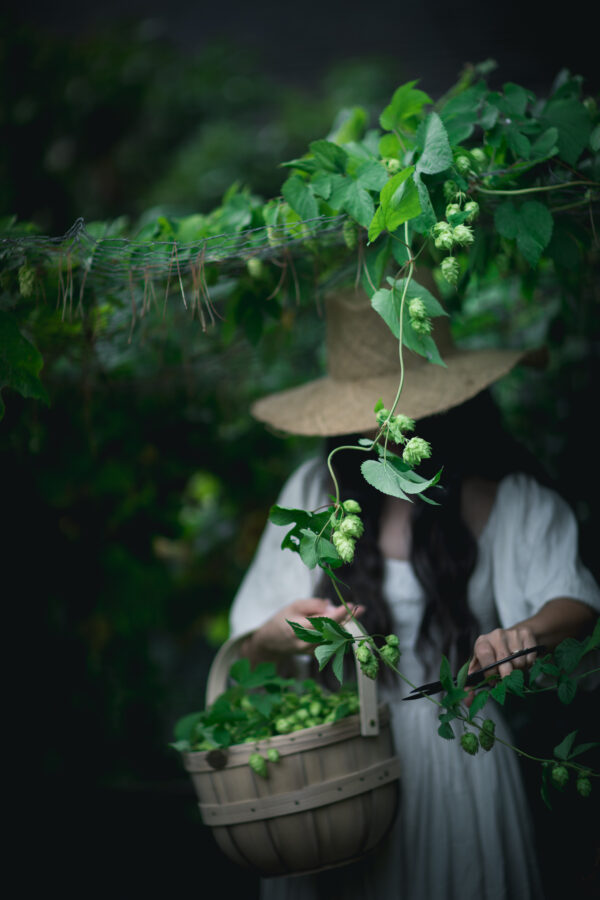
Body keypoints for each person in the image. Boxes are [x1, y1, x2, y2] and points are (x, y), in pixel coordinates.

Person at [226, 279, 600, 900]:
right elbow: (250, 652)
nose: (382, 433)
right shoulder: (315, 496)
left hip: (457, 764)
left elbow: (577, 604)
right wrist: (275, 636)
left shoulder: (505, 498)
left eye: (395, 410)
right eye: (362, 415)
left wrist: (525, 634)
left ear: (444, 403)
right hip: (335, 771)